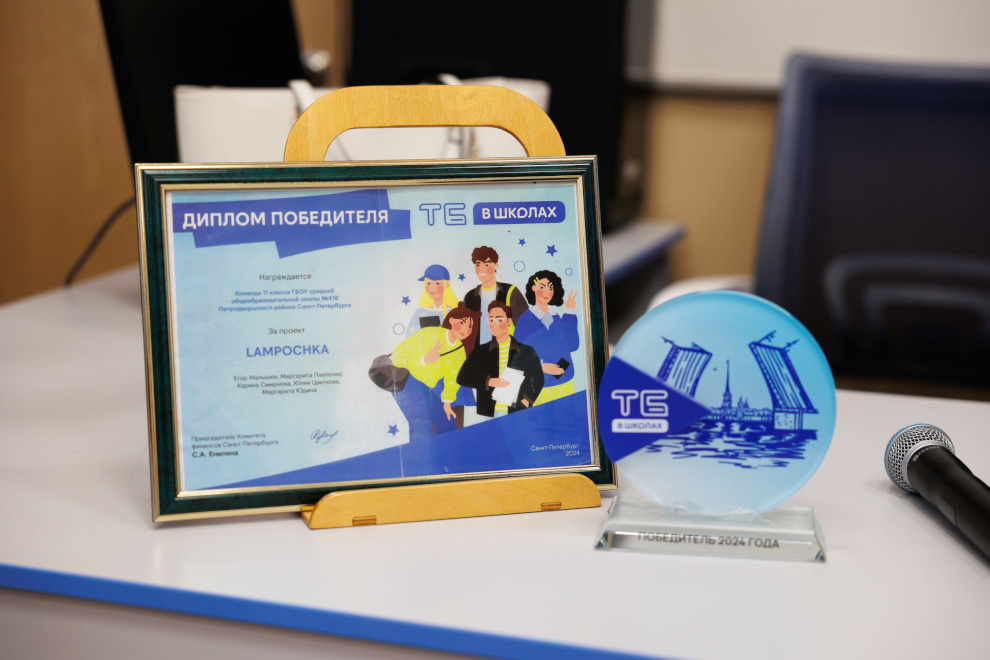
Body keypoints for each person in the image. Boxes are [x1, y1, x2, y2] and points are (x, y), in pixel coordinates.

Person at [391, 304, 479, 440]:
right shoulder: (430, 333)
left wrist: (447, 403)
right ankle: (419, 453)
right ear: (451, 321)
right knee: (422, 424)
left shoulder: (459, 350)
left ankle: (443, 452)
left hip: (427, 386)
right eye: (462, 323)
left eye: (470, 327)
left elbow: (452, 378)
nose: (465, 329)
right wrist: (424, 359)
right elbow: (396, 356)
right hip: (408, 383)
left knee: (448, 421)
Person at [457, 301, 543, 417]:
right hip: (488, 413)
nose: (494, 324)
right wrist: (489, 382)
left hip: (517, 412)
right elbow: (462, 377)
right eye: (491, 320)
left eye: (499, 320)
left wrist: (528, 400)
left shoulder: (526, 351)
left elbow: (538, 378)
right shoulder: (481, 351)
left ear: (509, 321)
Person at [513, 270, 580, 405]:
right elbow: (517, 356)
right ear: (533, 288)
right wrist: (541, 366)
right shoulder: (525, 320)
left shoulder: (556, 317)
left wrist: (570, 311)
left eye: (551, 288)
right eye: (542, 287)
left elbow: (572, 345)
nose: (547, 292)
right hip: (538, 388)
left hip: (565, 383)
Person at [463, 246, 528, 349]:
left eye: (486, 264)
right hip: (476, 353)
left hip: (505, 350)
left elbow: (526, 326)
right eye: (477, 264)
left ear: (496, 266)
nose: (481, 269)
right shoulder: (469, 297)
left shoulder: (511, 291)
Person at [406, 264, 460, 338]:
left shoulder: (455, 312)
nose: (432, 288)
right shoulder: (420, 312)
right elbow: (410, 336)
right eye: (428, 283)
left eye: (437, 283)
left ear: (447, 285)